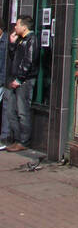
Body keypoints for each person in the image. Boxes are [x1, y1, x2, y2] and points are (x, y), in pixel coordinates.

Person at [5, 17, 37, 151]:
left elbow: (29, 61)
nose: (15, 27)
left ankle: (24, 141)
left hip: (24, 81)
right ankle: (17, 139)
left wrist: (20, 79)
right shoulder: (20, 40)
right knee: (11, 111)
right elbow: (15, 58)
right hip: (16, 79)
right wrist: (12, 44)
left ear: (25, 27)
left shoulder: (31, 39)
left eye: (17, 25)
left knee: (22, 111)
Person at [0, 24, 13, 148]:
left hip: (4, 80)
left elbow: (5, 63)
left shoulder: (7, 41)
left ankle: (4, 137)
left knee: (6, 108)